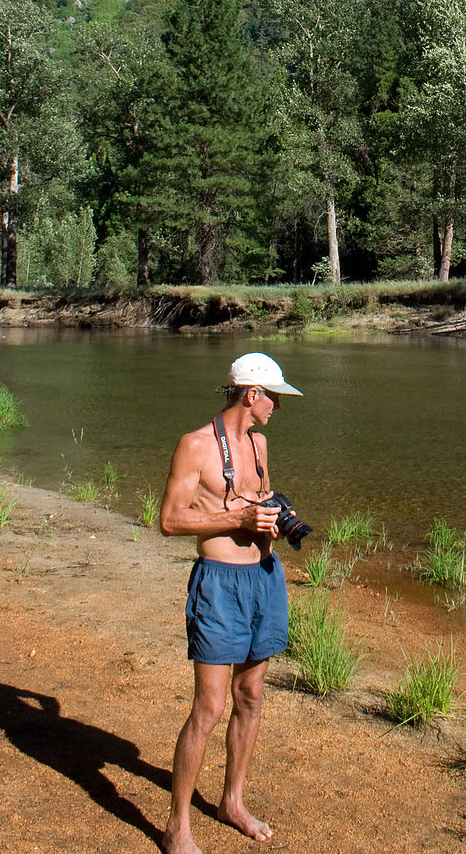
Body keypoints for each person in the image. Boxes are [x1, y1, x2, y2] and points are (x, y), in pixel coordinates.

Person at [159, 351, 303, 852]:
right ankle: (177, 825)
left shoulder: (260, 444)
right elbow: (171, 521)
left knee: (250, 697)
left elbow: (257, 500)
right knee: (209, 706)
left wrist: (274, 518)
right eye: (274, 399)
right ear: (252, 395)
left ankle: (232, 801)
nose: (277, 409)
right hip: (219, 585)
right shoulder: (194, 446)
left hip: (264, 578)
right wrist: (237, 522)